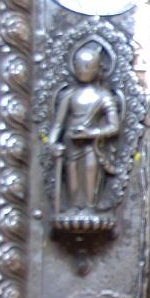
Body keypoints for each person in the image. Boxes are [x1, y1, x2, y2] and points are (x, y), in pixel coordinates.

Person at [48, 38, 122, 213]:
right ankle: (74, 207)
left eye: (88, 67)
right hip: (71, 144)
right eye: (79, 66)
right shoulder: (69, 95)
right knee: (72, 177)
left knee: (90, 173)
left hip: (91, 147)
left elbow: (114, 126)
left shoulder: (103, 96)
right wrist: (53, 143)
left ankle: (90, 207)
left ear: (98, 69)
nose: (83, 71)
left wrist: (91, 133)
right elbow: (58, 124)